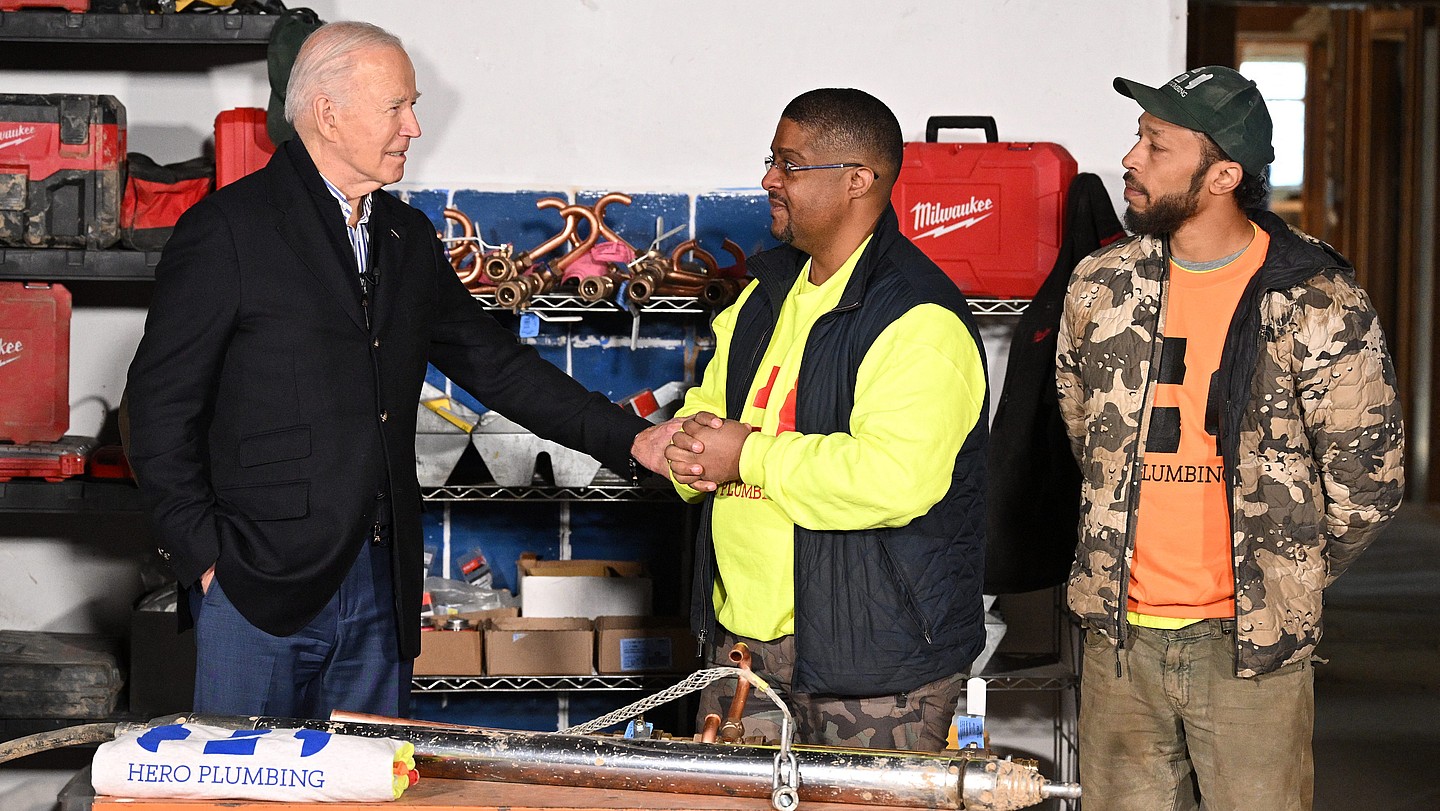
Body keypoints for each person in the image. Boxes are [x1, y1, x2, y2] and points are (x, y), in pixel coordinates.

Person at [125, 21, 675, 719]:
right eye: (397, 107)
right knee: (242, 792)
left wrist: (628, 438)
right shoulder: (227, 231)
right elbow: (158, 409)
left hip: (381, 590)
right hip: (257, 584)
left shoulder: (404, 237)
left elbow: (497, 365)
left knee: (366, 786)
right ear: (327, 112)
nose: (414, 126)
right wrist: (207, 558)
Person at [1057, 66, 1405, 810]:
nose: (1130, 158)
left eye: (1156, 143)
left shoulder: (1316, 297)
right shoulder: (1100, 285)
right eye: (1138, 138)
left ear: (1223, 174)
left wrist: (1283, 572)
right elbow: (1086, 434)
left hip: (1249, 653)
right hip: (1120, 642)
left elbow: (1367, 483)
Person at [664, 88, 990, 751]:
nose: (768, 179)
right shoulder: (766, 291)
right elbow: (710, 406)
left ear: (858, 180)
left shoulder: (916, 318)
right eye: (773, 160)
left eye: (789, 164)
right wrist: (686, 452)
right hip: (745, 650)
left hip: (876, 665)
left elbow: (894, 477)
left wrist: (744, 456)